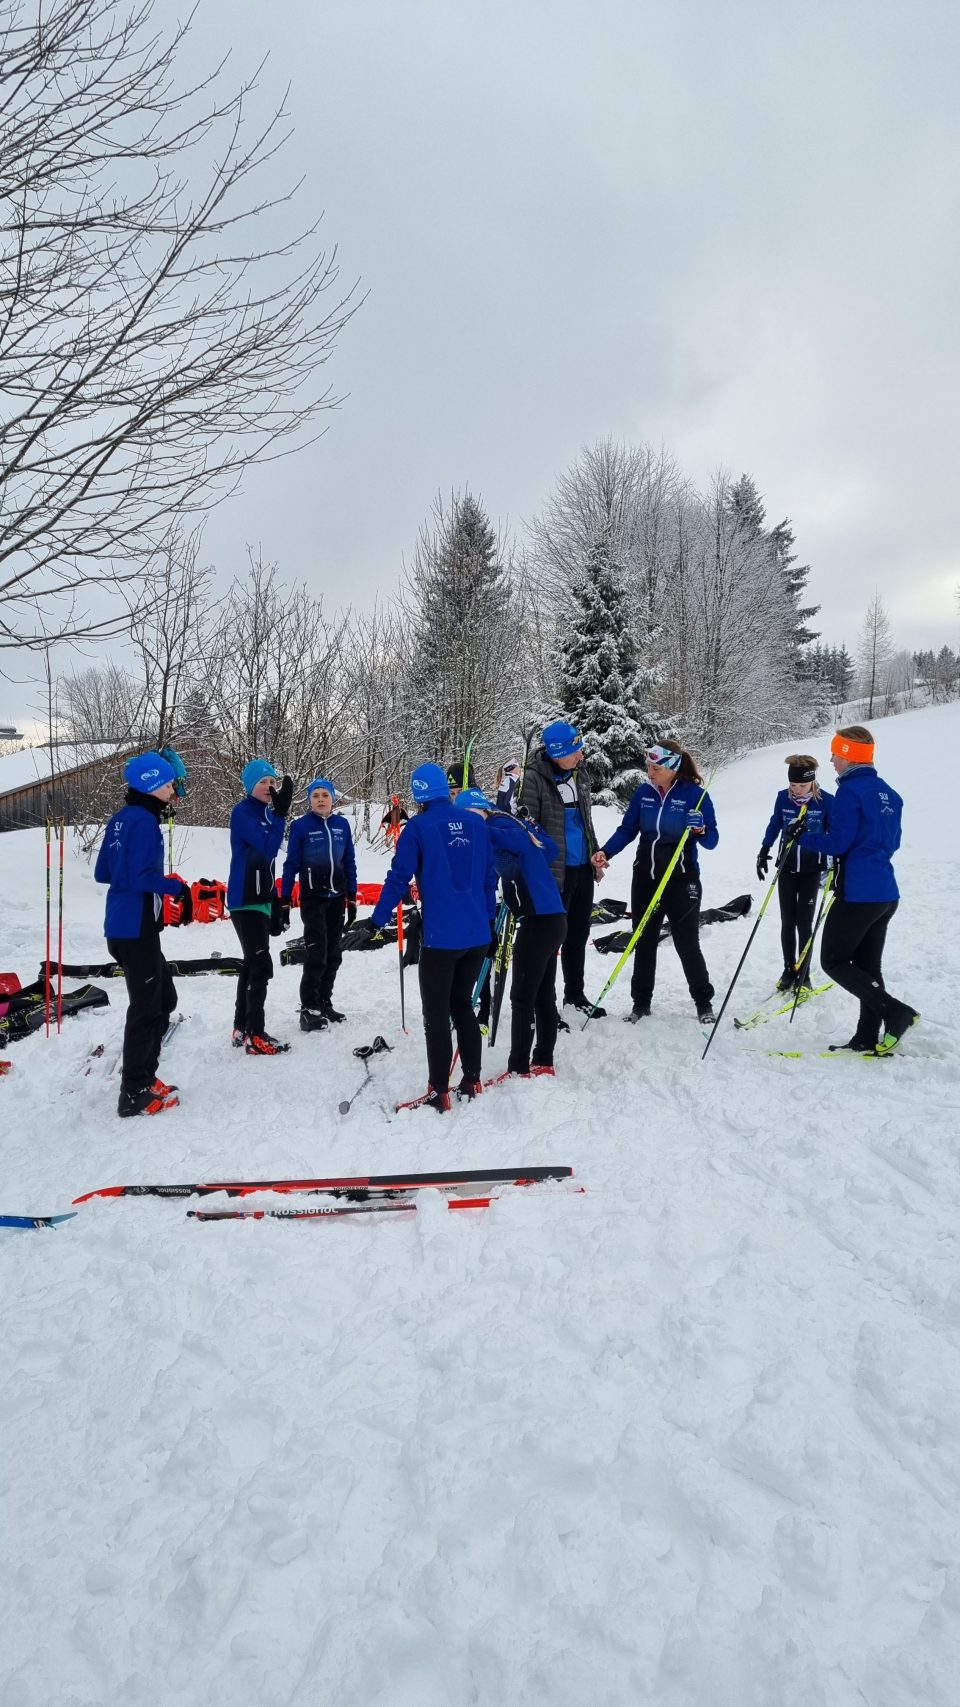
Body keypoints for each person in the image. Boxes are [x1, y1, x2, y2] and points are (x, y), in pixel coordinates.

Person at [355, 762, 496, 1111]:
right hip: (476, 935)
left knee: (436, 1015)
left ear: (419, 795)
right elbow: (489, 878)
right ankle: (472, 1080)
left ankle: (439, 1090)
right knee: (462, 1006)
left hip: (441, 939)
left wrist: (376, 920)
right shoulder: (477, 824)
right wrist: (488, 922)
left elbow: (398, 878)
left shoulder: (418, 827)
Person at [793, 725, 918, 1054]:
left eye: (835, 754)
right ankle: (866, 1036)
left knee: (833, 961)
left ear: (848, 756)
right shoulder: (889, 793)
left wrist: (803, 837)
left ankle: (896, 1012)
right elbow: (893, 842)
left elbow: (838, 843)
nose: (832, 760)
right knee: (867, 967)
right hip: (885, 893)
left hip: (858, 893)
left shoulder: (850, 792)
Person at [592, 739, 718, 1024]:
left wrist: (700, 829)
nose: (649, 772)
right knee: (644, 941)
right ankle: (641, 1003)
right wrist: (605, 852)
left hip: (681, 880)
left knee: (687, 943)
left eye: (656, 768)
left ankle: (703, 1002)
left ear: (673, 767)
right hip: (646, 879)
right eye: (648, 766)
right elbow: (627, 830)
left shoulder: (695, 796)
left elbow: (712, 840)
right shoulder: (643, 793)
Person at [94, 750, 192, 1117]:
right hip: (135, 926)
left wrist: (145, 879)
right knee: (146, 1008)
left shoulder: (122, 819)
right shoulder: (145, 822)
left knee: (164, 998)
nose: (173, 791)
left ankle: (145, 1077)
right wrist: (175, 887)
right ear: (152, 784)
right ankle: (134, 1090)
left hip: (122, 925)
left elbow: (104, 873)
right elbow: (138, 877)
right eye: (168, 785)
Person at [457, 789, 567, 1077]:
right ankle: (543, 1060)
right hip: (548, 920)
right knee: (542, 993)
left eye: (470, 816)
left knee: (522, 997)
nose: (468, 823)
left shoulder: (499, 825)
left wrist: (515, 826)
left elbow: (524, 843)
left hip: (540, 921)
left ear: (482, 810)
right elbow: (547, 850)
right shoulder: (497, 833)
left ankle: (518, 1067)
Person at [520, 720, 603, 1016]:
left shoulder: (579, 773)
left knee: (578, 935)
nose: (581, 754)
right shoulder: (533, 779)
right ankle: (547, 1007)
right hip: (554, 874)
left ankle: (575, 995)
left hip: (582, 868)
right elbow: (526, 831)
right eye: (575, 750)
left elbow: (584, 821)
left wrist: (595, 853)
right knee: (551, 940)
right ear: (557, 752)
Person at [227, 758, 293, 1055]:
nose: (269, 786)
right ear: (249, 786)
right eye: (263, 782)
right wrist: (280, 814)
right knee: (261, 966)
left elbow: (268, 864)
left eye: (272, 781)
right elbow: (267, 850)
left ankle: (241, 1026)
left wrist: (275, 899)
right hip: (245, 898)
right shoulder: (243, 813)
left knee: (251, 964)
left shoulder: (266, 814)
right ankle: (256, 1034)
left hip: (261, 898)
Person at [281, 777, 358, 1030]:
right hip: (313, 899)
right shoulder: (301, 826)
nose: (321, 799)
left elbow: (349, 862)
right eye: (316, 796)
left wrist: (352, 897)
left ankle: (324, 1002)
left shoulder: (342, 825)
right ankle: (309, 1008)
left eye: (325, 795)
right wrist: (284, 901)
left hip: (337, 899)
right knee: (317, 953)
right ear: (309, 800)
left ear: (333, 799)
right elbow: (291, 865)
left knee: (334, 954)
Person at [756, 754, 833, 991]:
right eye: (793, 785)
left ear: (812, 781)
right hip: (787, 867)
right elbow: (774, 824)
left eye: (802, 785)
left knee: (804, 923)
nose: (797, 790)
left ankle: (804, 972)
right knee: (787, 921)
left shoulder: (826, 802)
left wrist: (835, 864)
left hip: (812, 869)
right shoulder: (783, 798)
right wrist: (764, 850)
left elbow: (834, 835)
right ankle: (789, 969)